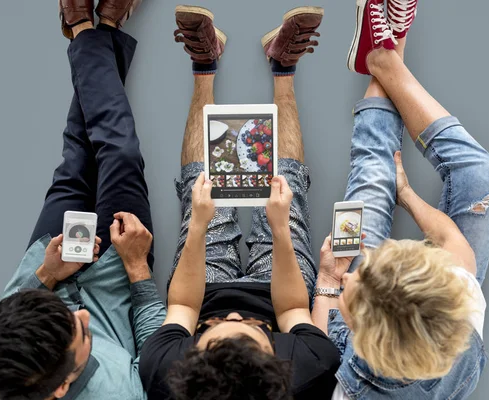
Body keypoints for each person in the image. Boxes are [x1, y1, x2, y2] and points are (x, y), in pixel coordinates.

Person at [0, 1, 166, 399]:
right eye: (81, 331)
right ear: (62, 387)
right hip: (121, 267)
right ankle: (91, 29)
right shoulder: (119, 394)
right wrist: (138, 270)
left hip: (52, 254)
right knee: (119, 152)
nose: (79, 314)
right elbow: (154, 355)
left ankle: (88, 27)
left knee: (79, 147)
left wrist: (44, 277)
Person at [138, 5, 340, 400]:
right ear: (277, 361)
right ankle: (283, 69)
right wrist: (280, 229)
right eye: (246, 328)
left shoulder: (165, 370)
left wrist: (197, 225)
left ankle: (204, 67)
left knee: (202, 183)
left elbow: (181, 303)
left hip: (202, 292)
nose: (233, 316)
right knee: (288, 187)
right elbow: (291, 314)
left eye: (219, 330)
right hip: (276, 293)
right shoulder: (312, 365)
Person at [311, 0, 489, 399]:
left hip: (375, 342)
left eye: (355, 280)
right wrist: (408, 194)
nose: (352, 273)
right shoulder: (457, 308)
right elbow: (453, 242)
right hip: (399, 328)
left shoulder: (350, 392)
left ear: (360, 338)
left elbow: (321, 349)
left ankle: (386, 51)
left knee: (373, 178)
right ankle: (384, 56)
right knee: (485, 174)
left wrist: (330, 281)